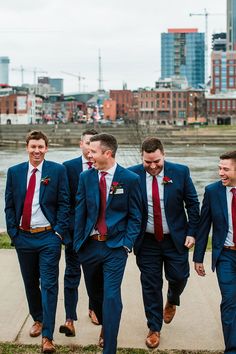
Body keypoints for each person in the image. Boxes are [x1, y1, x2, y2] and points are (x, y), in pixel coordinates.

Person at [73, 133, 142, 354]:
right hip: (89, 246)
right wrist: (77, 244)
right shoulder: (86, 177)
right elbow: (80, 211)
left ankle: (109, 347)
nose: (88, 155)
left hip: (115, 247)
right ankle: (106, 324)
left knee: (112, 296)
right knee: (96, 296)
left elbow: (135, 216)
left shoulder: (130, 179)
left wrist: (126, 244)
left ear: (107, 153)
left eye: (93, 151)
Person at [129, 137, 200, 349]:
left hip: (175, 239)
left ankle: (172, 298)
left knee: (179, 276)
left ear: (164, 155)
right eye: (147, 162)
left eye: (156, 161)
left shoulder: (180, 172)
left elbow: (193, 205)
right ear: (142, 156)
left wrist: (192, 232)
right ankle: (154, 328)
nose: (152, 166)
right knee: (150, 284)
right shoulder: (131, 174)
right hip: (147, 241)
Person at [5, 130, 70, 354]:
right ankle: (38, 319)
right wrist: (14, 234)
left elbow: (64, 203)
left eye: (40, 147)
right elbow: (9, 206)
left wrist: (59, 233)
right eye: (33, 146)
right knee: (30, 283)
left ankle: (48, 337)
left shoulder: (57, 171)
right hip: (23, 237)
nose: (37, 151)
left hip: (48, 238)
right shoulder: (14, 173)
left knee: (49, 285)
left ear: (46, 148)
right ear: (27, 147)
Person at [194, 150, 236, 354]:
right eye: (219, 168)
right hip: (226, 256)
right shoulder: (212, 191)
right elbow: (204, 226)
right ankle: (232, 349)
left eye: (225, 169)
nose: (220, 173)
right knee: (229, 301)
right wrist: (198, 257)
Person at [59, 129, 99, 337]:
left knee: (93, 276)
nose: (90, 147)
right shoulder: (69, 168)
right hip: (74, 235)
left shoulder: (103, 167)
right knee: (72, 275)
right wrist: (66, 233)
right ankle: (69, 319)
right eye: (87, 142)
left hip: (96, 235)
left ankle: (93, 308)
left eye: (94, 143)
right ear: (80, 144)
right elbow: (64, 202)